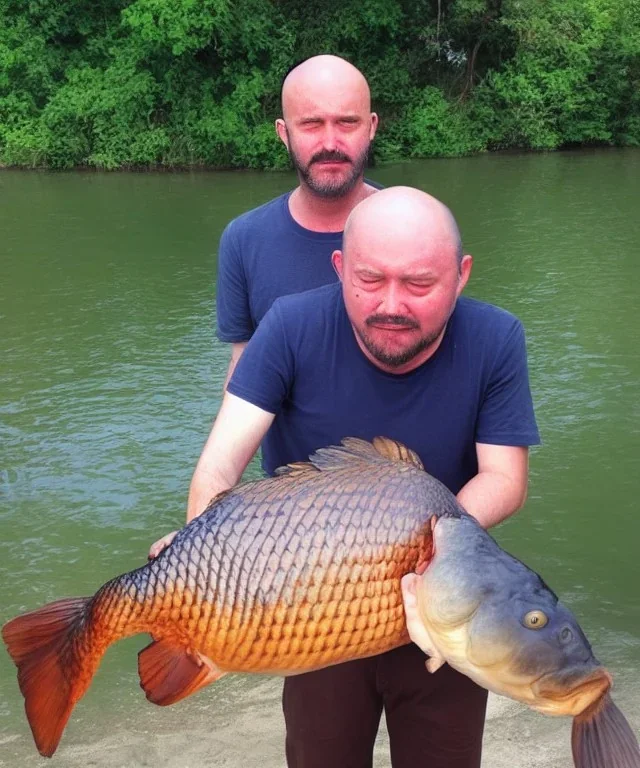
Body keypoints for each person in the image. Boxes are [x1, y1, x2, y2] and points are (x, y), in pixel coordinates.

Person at [153, 186, 541, 768]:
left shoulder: (496, 338)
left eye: (419, 284)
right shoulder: (288, 325)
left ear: (461, 276)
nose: (392, 304)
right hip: (310, 605)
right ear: (340, 268)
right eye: (369, 280)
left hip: (444, 613)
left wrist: (428, 556)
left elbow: (504, 476)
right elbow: (218, 465)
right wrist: (206, 563)